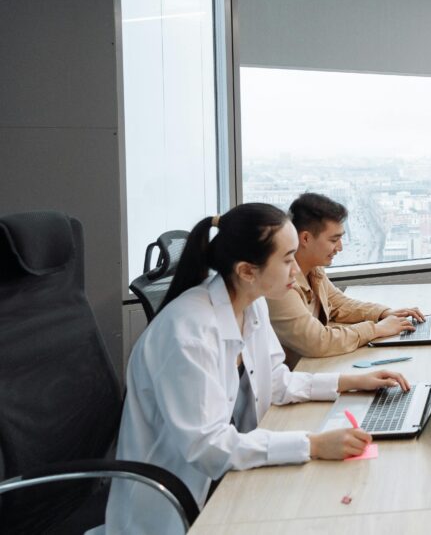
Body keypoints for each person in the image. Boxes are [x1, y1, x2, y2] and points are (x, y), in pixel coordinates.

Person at [99, 203, 410, 534]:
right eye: (288, 259)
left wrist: (350, 381)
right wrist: (313, 445)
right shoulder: (188, 332)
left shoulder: (251, 304)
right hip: (180, 505)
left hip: (227, 477)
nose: (296, 270)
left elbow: (277, 382)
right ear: (247, 270)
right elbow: (207, 447)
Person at [267, 193, 425, 368]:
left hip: (313, 370)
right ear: (305, 239)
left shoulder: (313, 269)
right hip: (293, 382)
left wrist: (383, 314)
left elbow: (338, 304)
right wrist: (376, 329)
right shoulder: (281, 285)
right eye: (334, 240)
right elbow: (317, 341)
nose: (340, 247)